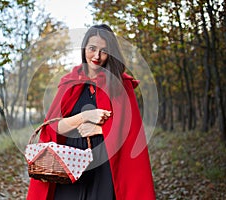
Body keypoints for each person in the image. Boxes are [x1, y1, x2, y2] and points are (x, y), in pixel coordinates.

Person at [27, 24, 156, 200]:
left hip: (105, 166)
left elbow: (130, 131)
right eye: (92, 48)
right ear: (84, 48)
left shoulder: (120, 85)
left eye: (104, 51)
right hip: (70, 165)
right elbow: (53, 128)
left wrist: (99, 130)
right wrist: (84, 117)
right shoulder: (69, 82)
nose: (97, 56)